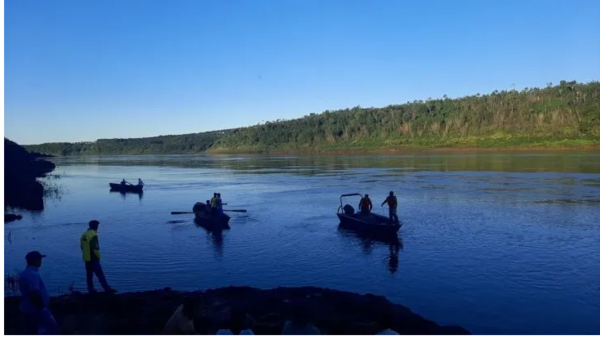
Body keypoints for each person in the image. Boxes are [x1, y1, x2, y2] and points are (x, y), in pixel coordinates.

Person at [19, 251, 58, 335]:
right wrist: (42, 309)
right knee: (51, 329)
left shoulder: (27, 273)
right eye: (40, 259)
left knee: (34, 330)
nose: (41, 261)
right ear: (36, 261)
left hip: (31, 309)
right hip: (35, 310)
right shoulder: (32, 275)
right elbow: (34, 294)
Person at [80, 220, 117, 294]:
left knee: (89, 276)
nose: (98, 227)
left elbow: (81, 246)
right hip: (93, 258)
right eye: (97, 226)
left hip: (86, 258)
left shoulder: (84, 234)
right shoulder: (93, 235)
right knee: (100, 275)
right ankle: (107, 289)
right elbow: (95, 248)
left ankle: (90, 290)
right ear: (95, 226)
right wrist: (99, 256)